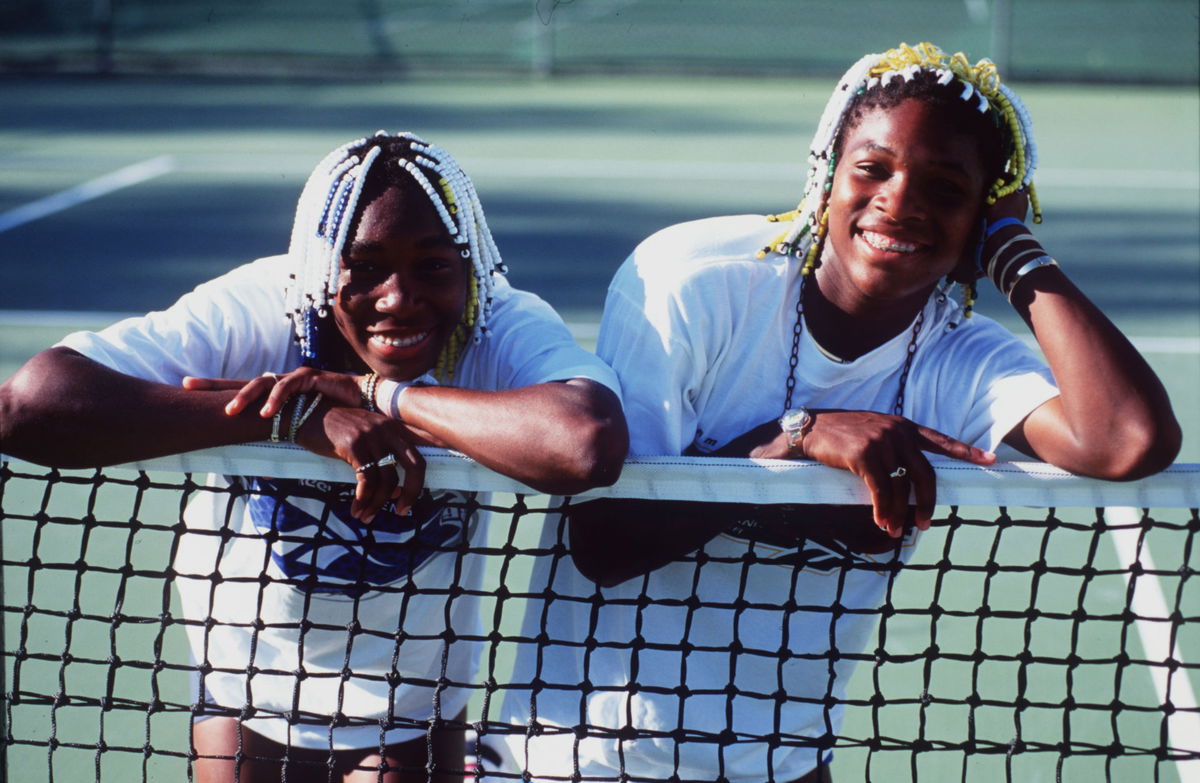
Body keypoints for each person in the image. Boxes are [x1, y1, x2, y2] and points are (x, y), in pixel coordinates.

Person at [491, 43, 1181, 782]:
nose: (902, 200)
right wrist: (798, 435)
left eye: (946, 189)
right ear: (824, 175)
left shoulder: (959, 360)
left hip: (783, 766)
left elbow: (1127, 439)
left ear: (978, 215)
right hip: (583, 759)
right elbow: (605, 539)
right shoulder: (692, 285)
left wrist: (1013, 247)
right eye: (873, 168)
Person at [0, 132, 628, 781]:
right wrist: (289, 419)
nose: (397, 297)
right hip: (248, 677)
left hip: (413, 694)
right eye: (364, 267)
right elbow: (27, 407)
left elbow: (583, 441)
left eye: (432, 265)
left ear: (468, 268)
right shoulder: (260, 307)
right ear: (324, 267)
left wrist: (381, 395)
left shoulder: (494, 322)